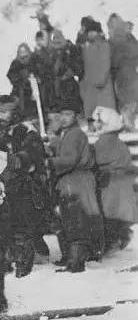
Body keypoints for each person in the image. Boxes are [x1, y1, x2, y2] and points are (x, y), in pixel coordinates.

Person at [47, 106, 103, 272]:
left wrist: (49, 162)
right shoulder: (68, 134)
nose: (64, 118)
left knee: (75, 217)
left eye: (68, 113)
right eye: (61, 114)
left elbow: (70, 160)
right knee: (72, 217)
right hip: (74, 179)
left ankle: (76, 260)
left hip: (75, 179)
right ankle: (73, 257)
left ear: (76, 116)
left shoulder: (75, 134)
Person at [0, 108, 50, 276]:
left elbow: (31, 156)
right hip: (11, 183)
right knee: (14, 222)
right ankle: (20, 255)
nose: (1, 116)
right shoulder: (2, 132)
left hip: (28, 184)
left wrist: (15, 159)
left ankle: (31, 258)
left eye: (5, 112)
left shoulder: (27, 132)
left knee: (26, 222)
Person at [92, 106, 138, 252]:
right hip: (118, 186)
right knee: (115, 217)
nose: (95, 125)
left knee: (109, 215)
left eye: (99, 122)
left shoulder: (105, 142)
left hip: (111, 187)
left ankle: (113, 242)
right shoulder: (116, 142)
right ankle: (120, 237)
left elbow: (98, 160)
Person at [79, 20, 116, 121]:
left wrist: (99, 80)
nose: (89, 34)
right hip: (91, 87)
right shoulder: (86, 47)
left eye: (91, 32)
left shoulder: (104, 46)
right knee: (93, 113)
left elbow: (105, 64)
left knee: (104, 114)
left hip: (102, 87)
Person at [108, 14, 138, 130]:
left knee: (128, 106)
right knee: (128, 106)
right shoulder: (127, 40)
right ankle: (130, 129)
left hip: (126, 78)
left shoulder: (116, 41)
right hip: (126, 78)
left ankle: (130, 129)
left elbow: (112, 61)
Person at [49, 29, 84, 115]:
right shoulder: (50, 53)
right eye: (54, 38)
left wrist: (68, 73)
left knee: (71, 111)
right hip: (56, 89)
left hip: (69, 87)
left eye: (58, 37)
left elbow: (78, 65)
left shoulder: (70, 49)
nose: (56, 40)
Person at [7, 43, 45, 118]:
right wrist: (22, 79)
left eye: (26, 56)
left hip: (36, 88)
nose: (24, 58)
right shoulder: (15, 63)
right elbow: (11, 75)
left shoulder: (35, 60)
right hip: (22, 91)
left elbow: (42, 71)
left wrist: (37, 78)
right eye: (22, 57)